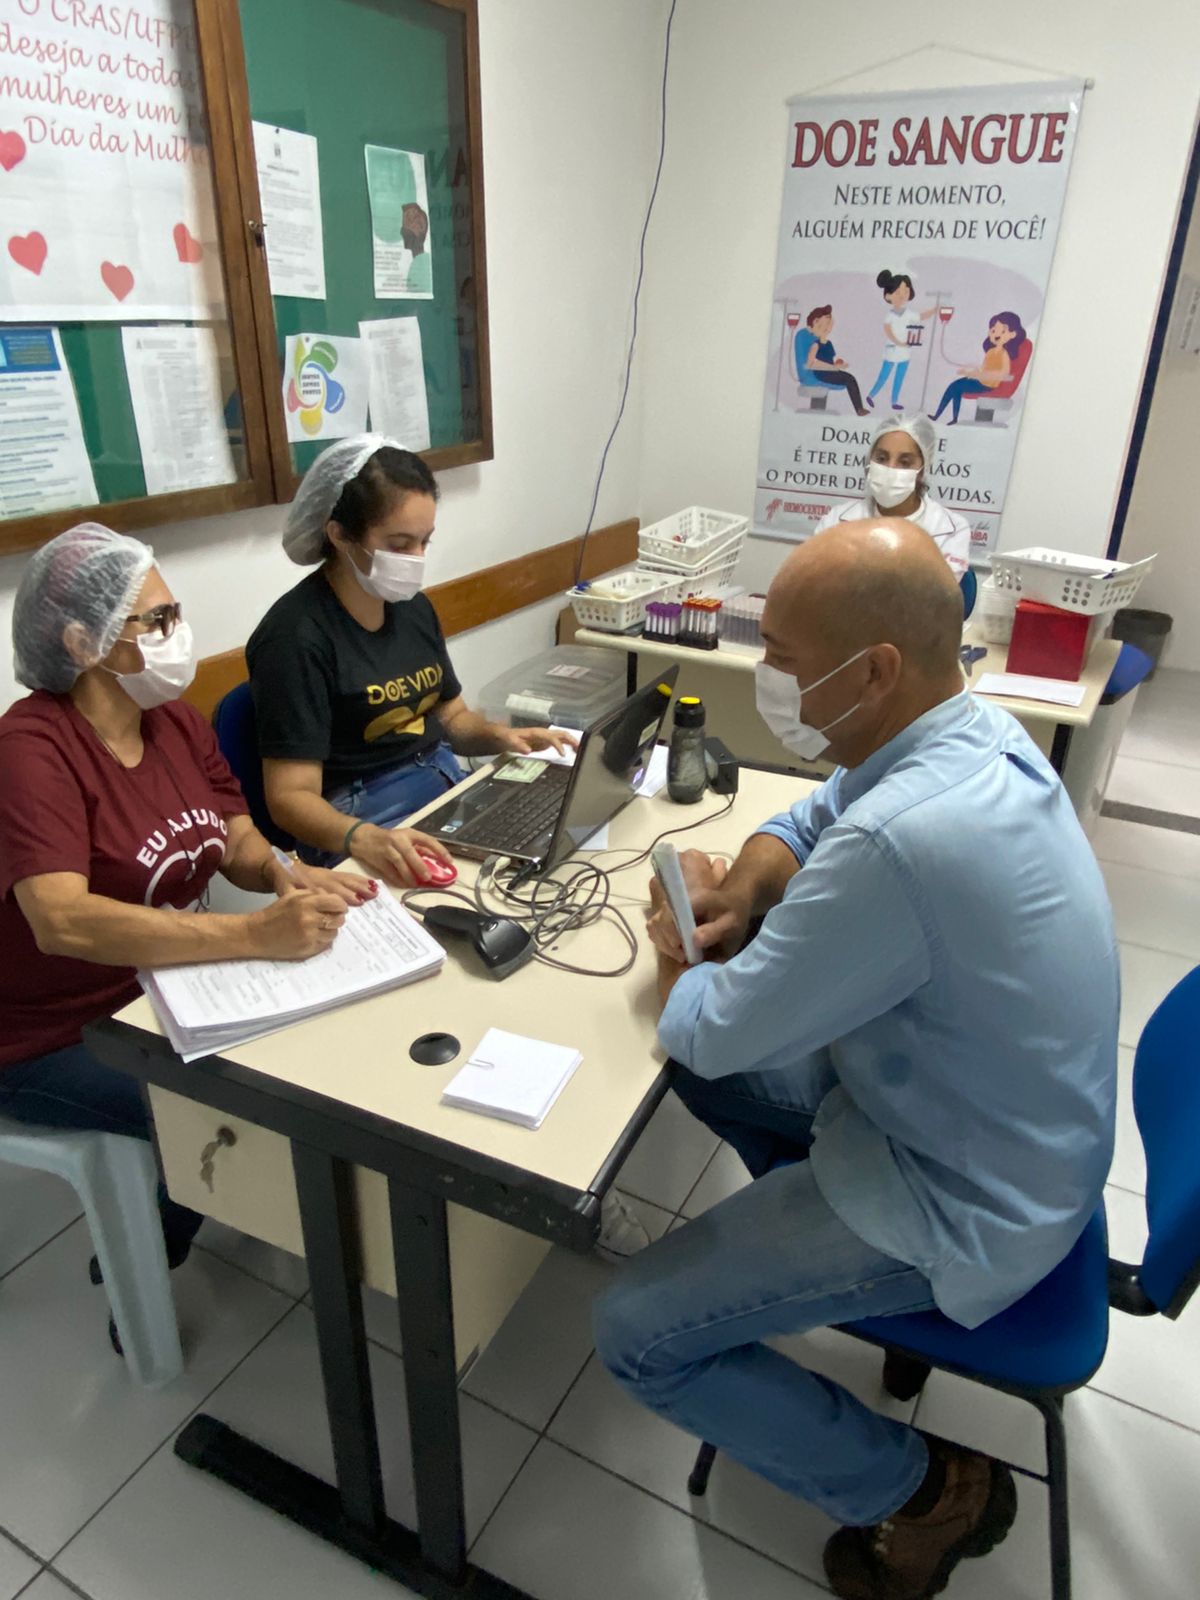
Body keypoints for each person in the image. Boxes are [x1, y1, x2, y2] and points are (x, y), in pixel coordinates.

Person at [594, 518, 1117, 1600]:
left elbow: (707, 1024)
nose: (769, 676)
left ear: (873, 668)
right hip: (999, 1125)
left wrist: (680, 935)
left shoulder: (905, 842)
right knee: (713, 1071)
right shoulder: (975, 732)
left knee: (635, 1329)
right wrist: (746, 878)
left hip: (957, 1198)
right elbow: (822, 807)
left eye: (783, 658)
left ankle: (921, 1492)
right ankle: (776, 1238)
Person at [0, 525, 364, 1309]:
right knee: (229, 1105)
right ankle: (146, 1259)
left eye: (175, 613)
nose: (178, 636)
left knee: (308, 1062)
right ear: (83, 641)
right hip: (51, 1031)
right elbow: (60, 921)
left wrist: (281, 873)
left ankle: (210, 1202)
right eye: (155, 621)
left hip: (166, 986)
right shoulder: (31, 750)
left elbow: (230, 832)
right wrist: (250, 936)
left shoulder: (170, 720)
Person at [247, 436, 576, 882]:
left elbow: (452, 717)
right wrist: (364, 837)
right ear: (340, 534)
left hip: (438, 786)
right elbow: (289, 797)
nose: (417, 559)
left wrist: (503, 736)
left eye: (425, 541)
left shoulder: (411, 607)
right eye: (400, 544)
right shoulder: (294, 638)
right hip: (357, 816)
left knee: (545, 861)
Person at [815, 413, 971, 577]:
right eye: (881, 458)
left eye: (905, 462)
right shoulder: (836, 519)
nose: (890, 468)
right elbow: (815, 579)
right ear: (870, 461)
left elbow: (936, 594)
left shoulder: (951, 528)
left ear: (923, 469)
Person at [931, 311, 1026, 425]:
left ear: (1012, 334)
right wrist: (971, 372)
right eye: (993, 330)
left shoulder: (1004, 354)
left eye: (1003, 331)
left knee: (956, 387)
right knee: (954, 387)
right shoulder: (990, 352)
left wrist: (978, 375)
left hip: (987, 385)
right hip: (981, 381)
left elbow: (1004, 374)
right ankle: (944, 416)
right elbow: (984, 369)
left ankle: (948, 417)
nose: (996, 334)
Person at [865, 270, 937, 411]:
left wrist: (934, 310)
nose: (902, 295)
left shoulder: (909, 313)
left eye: (905, 291)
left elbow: (921, 316)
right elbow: (888, 331)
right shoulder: (890, 315)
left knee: (899, 378)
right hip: (893, 349)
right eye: (898, 292)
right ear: (888, 296)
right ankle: (871, 395)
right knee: (884, 375)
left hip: (905, 352)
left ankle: (894, 401)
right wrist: (898, 342)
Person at [794, 306, 870, 416]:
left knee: (850, 378)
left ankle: (859, 408)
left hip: (829, 371)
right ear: (816, 322)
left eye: (829, 327)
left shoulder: (827, 343)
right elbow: (810, 363)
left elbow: (830, 361)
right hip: (820, 373)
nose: (828, 330)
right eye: (826, 327)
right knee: (849, 379)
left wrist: (838, 365)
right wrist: (832, 368)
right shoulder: (815, 344)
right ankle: (859, 409)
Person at [403, 202, 432, 295]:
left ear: (422, 227)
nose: (404, 227)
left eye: (410, 220)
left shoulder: (425, 265)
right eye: (405, 221)